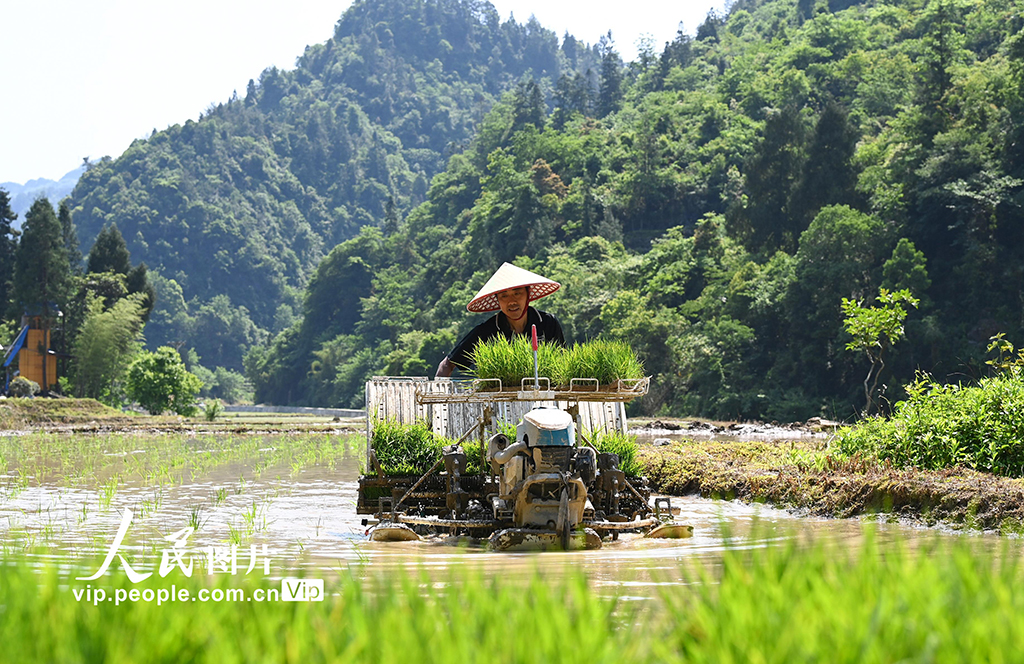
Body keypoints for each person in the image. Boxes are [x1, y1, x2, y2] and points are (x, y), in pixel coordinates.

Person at [436, 263, 565, 377]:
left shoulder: (547, 323)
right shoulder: (486, 332)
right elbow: (447, 365)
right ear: (497, 300)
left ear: (528, 294)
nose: (511, 301)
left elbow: (562, 363)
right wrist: (439, 400)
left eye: (517, 293)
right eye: (504, 296)